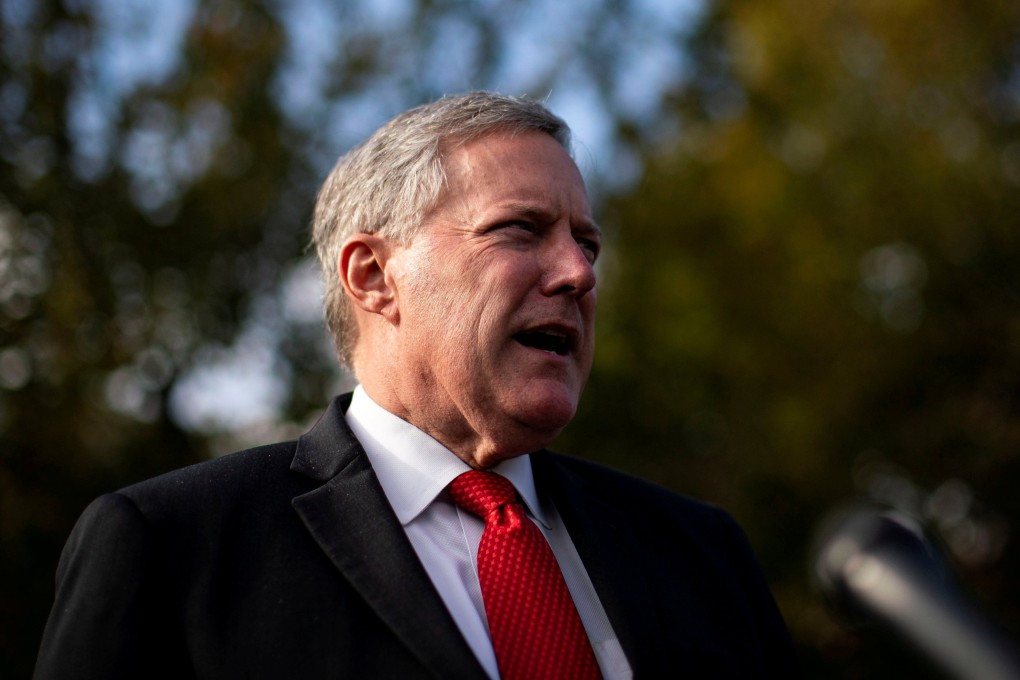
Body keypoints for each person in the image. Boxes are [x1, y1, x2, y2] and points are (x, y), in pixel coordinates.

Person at [34, 92, 799, 679]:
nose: (578, 273)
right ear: (373, 276)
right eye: (520, 230)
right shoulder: (173, 548)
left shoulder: (701, 555)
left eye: (587, 242)